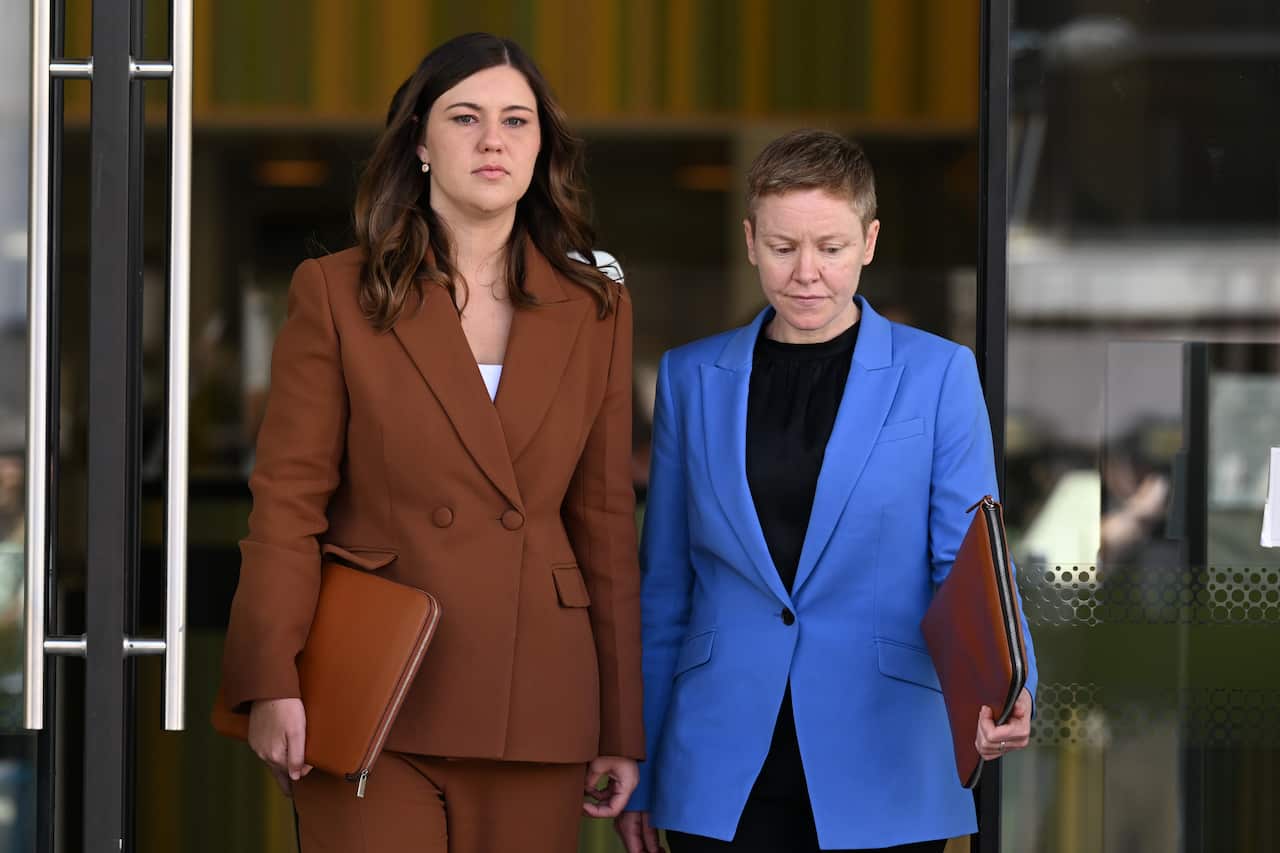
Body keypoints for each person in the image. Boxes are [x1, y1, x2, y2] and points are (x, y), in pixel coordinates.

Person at [219, 32, 643, 853]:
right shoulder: (337, 291)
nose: (494, 140)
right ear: (419, 141)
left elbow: (605, 525)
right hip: (375, 688)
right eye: (466, 117)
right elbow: (287, 504)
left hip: (540, 697)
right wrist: (271, 680)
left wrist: (623, 722)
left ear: (541, 149)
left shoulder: (597, 308)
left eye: (518, 121)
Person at [616, 130, 1038, 853]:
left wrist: (1012, 682)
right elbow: (665, 590)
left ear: (869, 242)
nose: (806, 272)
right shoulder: (690, 378)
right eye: (783, 247)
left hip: (883, 753)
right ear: (750, 241)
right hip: (717, 761)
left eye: (832, 247)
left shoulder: (938, 374)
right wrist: (643, 758)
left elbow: (967, 563)